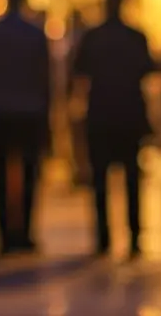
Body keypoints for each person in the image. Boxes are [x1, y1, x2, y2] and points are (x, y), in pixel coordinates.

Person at [71, 0, 155, 260]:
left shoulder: (93, 38)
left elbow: (79, 73)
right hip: (128, 115)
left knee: (101, 181)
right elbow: (148, 70)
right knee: (131, 179)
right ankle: (133, 237)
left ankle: (103, 238)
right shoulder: (135, 37)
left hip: (101, 116)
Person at [0, 0, 50, 255]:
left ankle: (4, 232)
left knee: (0, 174)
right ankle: (26, 232)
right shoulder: (34, 34)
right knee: (30, 173)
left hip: (1, 109)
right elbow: (44, 76)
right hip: (29, 109)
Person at [66, 10, 91, 188]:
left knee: (80, 139)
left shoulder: (81, 41)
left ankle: (82, 171)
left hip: (81, 97)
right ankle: (81, 170)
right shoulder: (80, 40)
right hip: (80, 96)